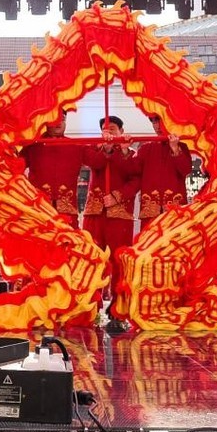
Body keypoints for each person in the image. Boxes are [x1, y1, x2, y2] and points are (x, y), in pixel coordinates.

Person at [81, 116, 140, 332]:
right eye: (105, 129)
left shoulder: (130, 154)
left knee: (119, 262)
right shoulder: (93, 149)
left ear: (121, 131)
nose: (109, 133)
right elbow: (95, 163)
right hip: (94, 213)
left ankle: (118, 309)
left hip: (119, 214)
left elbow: (134, 179)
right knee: (92, 260)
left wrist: (117, 196)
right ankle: (92, 307)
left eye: (113, 129)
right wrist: (106, 149)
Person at [19, 114, 87, 227]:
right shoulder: (33, 146)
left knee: (68, 236)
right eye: (55, 118)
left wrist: (107, 147)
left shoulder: (75, 145)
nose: (59, 122)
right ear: (46, 122)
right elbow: (15, 166)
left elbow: (97, 161)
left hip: (67, 208)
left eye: (63, 119)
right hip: (40, 208)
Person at [133, 115, 192, 233]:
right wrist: (124, 150)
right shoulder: (145, 148)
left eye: (160, 121)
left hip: (173, 210)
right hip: (150, 210)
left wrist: (175, 149)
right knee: (149, 241)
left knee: (174, 241)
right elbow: (132, 171)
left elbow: (185, 170)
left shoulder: (182, 147)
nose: (157, 126)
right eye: (154, 122)